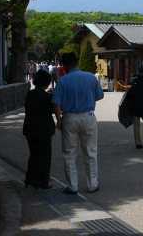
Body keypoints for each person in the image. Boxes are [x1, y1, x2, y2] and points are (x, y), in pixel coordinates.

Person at [53, 52, 104, 195]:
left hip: (69, 117)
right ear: (77, 62)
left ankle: (72, 186)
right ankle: (92, 184)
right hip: (88, 116)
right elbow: (99, 96)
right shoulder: (90, 78)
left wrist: (59, 120)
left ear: (64, 65)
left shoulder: (63, 81)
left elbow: (56, 103)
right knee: (90, 152)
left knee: (69, 153)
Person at [23, 70, 56, 189]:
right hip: (44, 129)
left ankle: (30, 179)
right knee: (45, 156)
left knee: (34, 154)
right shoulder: (47, 96)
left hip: (30, 128)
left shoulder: (30, 94)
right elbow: (53, 109)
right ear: (46, 82)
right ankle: (43, 181)